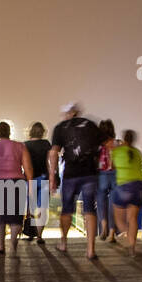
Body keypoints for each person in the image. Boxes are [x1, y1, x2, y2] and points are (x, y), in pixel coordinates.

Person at [48, 102, 102, 259]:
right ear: (78, 113)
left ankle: (63, 243)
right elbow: (107, 145)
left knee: (66, 209)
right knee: (90, 209)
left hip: (71, 174)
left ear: (67, 114)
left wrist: (53, 175)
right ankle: (90, 250)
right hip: (90, 173)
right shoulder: (90, 125)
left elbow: (53, 153)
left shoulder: (61, 128)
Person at [0, 120, 34, 256]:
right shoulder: (20, 146)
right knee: (16, 216)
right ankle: (13, 242)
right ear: (10, 132)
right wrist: (30, 184)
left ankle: (0, 245)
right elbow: (28, 168)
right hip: (16, 182)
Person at [110, 129, 142, 257]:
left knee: (119, 219)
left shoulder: (116, 151)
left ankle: (127, 235)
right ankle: (132, 246)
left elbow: (112, 166)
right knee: (133, 218)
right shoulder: (137, 153)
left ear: (123, 139)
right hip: (139, 185)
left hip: (123, 186)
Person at [22, 122, 51, 241]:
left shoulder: (25, 145)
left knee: (29, 207)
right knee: (42, 207)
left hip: (29, 179)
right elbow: (50, 162)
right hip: (44, 178)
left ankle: (29, 231)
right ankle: (39, 235)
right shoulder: (46, 144)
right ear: (43, 132)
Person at [95, 119, 118, 242]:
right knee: (113, 204)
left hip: (101, 174)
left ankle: (103, 228)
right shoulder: (116, 144)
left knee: (101, 202)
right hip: (115, 174)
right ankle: (112, 233)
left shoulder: (98, 145)